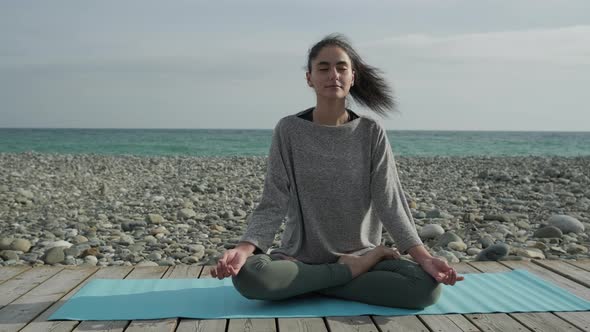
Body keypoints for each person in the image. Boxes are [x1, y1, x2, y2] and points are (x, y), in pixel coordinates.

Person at [211, 33, 464, 309]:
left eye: (342, 67)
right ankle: (345, 273)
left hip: (360, 255)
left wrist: (424, 258)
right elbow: (273, 201)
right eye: (324, 68)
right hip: (300, 259)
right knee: (250, 277)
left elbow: (389, 202)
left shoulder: (370, 131)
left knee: (425, 290)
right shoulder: (289, 130)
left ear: (352, 76)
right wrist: (244, 248)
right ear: (309, 78)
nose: (334, 74)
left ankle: (310, 285)